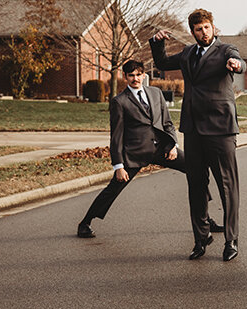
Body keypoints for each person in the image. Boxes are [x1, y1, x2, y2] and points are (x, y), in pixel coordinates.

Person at [76, 60, 221, 238]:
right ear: (125, 77)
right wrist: (118, 166)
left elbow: (167, 123)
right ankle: (85, 223)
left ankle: (205, 219)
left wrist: (173, 145)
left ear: (144, 75)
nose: (135, 79)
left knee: (197, 171)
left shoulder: (156, 93)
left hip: (162, 149)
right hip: (134, 154)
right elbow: (116, 136)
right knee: (113, 189)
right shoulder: (119, 102)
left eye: (138, 75)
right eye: (131, 75)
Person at [151, 8, 245, 261]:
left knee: (227, 186)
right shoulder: (188, 53)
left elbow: (239, 62)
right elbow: (161, 63)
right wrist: (157, 43)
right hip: (193, 128)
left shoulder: (226, 50)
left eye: (206, 27)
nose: (203, 32)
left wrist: (237, 65)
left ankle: (231, 240)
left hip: (220, 129)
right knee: (196, 185)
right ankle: (201, 238)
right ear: (192, 32)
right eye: (198, 29)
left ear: (213, 27)